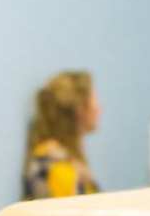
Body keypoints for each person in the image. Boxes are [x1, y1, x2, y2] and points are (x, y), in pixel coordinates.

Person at [23, 70, 102, 200]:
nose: (99, 109)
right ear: (80, 110)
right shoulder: (56, 165)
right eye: (94, 100)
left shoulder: (66, 160)